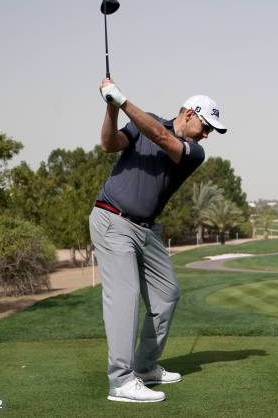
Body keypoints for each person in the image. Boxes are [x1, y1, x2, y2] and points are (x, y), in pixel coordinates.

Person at [89, 79, 227, 403]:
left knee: (167, 294)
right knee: (125, 295)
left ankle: (146, 366)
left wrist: (122, 100)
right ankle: (121, 382)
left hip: (146, 231)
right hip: (113, 220)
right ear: (189, 114)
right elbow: (109, 144)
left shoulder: (195, 152)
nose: (207, 135)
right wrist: (111, 107)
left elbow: (162, 137)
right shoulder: (142, 122)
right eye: (206, 126)